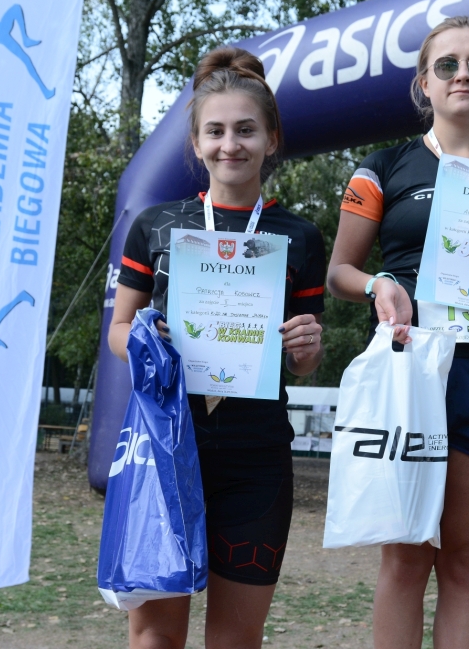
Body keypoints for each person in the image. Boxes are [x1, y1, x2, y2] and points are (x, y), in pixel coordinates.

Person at [326, 16, 469, 649]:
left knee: (463, 563)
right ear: (424, 83)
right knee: (405, 559)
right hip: (411, 369)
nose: (464, 75)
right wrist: (378, 284)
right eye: (448, 64)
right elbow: (339, 272)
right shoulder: (383, 167)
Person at [107, 47, 327, 649]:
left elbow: (303, 360)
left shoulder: (300, 236)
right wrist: (146, 338)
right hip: (167, 452)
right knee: (155, 636)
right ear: (196, 142)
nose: (231, 144)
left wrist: (307, 346)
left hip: (256, 460)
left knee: (235, 639)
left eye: (246, 130)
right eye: (216, 131)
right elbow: (119, 331)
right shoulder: (155, 225)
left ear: (271, 139)